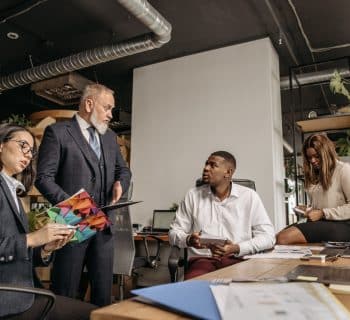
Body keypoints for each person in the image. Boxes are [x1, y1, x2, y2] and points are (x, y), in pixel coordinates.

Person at [35, 84, 131, 306]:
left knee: (102, 296)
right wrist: (79, 208)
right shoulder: (57, 132)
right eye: (107, 108)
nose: (110, 115)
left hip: (104, 227)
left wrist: (120, 183)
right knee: (65, 293)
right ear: (89, 104)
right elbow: (43, 178)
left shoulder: (110, 137)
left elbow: (123, 170)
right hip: (71, 225)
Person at [0, 124, 96, 319]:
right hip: (8, 299)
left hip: (25, 292)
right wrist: (32, 239)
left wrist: (45, 248)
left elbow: (19, 256)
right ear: (1, 145)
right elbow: (20, 243)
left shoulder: (13, 191)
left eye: (32, 151)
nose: (28, 155)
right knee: (95, 314)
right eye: (22, 145)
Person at [169, 151, 275, 279]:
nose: (206, 168)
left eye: (213, 165)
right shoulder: (193, 195)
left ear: (228, 172)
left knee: (243, 291)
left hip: (238, 259)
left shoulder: (249, 196)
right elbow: (174, 233)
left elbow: (268, 237)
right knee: (193, 289)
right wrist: (189, 239)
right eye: (206, 164)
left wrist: (236, 248)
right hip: (203, 261)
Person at [277, 133, 350, 244]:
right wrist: (308, 210)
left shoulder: (343, 170)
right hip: (323, 222)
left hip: (343, 225)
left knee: (283, 238)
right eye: (309, 157)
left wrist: (322, 213)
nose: (312, 161)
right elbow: (326, 204)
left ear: (326, 153)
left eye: (316, 156)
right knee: (277, 236)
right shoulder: (316, 174)